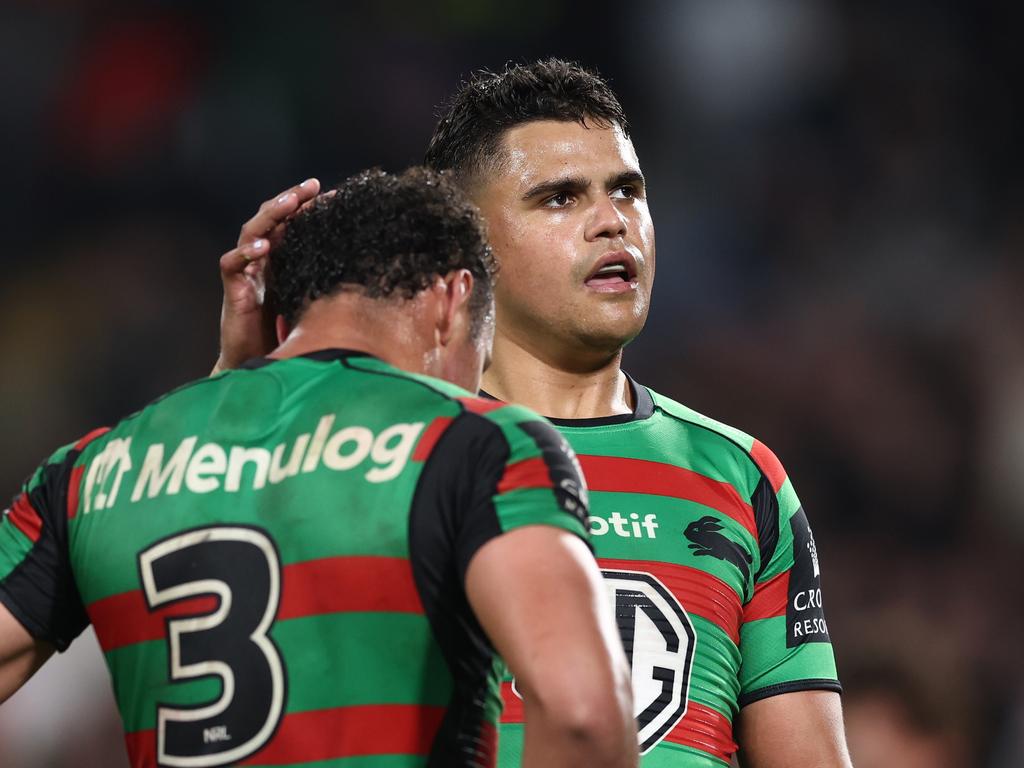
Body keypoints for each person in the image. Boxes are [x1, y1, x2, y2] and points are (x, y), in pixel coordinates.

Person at [213, 60, 852, 767]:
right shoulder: (380, 452)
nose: (612, 222)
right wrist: (238, 387)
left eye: (628, 191)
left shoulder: (741, 474)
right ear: (465, 246)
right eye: (560, 198)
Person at [0, 168, 638, 768]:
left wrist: (228, 388)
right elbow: (583, 717)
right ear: (452, 299)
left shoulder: (94, 470)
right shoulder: (479, 445)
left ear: (280, 322)